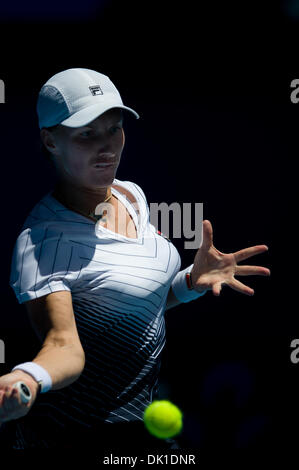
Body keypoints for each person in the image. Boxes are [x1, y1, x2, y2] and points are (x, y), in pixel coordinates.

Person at [0, 68, 270, 456]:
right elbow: (64, 346)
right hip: (74, 438)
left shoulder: (130, 194)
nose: (107, 146)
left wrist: (191, 282)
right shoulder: (42, 241)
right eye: (86, 134)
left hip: (135, 428)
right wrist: (28, 378)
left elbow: (137, 299)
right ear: (50, 140)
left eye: (114, 128)